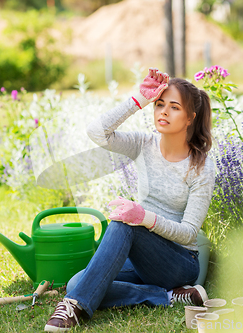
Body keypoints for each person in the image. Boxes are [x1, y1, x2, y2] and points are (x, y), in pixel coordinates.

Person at [44, 68, 216, 332]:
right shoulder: (143, 144)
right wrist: (139, 99)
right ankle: (168, 296)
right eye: (159, 105)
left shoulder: (201, 167)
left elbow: (189, 232)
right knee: (78, 283)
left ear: (191, 117)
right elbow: (97, 132)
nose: (163, 112)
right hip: (142, 257)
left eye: (174, 107)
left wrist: (143, 218)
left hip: (179, 262)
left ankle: (73, 308)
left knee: (125, 222)